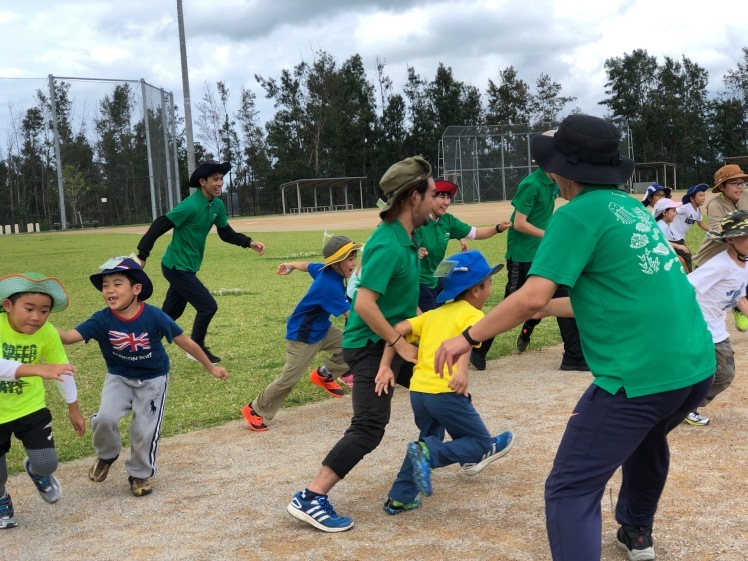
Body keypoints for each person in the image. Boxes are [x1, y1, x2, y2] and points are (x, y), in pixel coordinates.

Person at [434, 114, 715, 561]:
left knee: (570, 487)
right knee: (647, 441)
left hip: (639, 375)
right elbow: (610, 295)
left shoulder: (577, 215)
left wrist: (467, 336)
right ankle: (636, 532)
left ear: (562, 168)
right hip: (695, 366)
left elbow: (530, 297)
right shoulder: (629, 209)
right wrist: (544, 306)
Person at [286, 155, 435, 532]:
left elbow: (402, 302)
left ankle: (445, 458)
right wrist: (397, 345)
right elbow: (364, 304)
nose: (438, 201)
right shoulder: (388, 244)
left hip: (387, 340)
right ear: (413, 197)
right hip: (369, 345)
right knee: (369, 425)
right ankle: (311, 497)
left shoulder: (407, 239)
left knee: (439, 390)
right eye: (433, 193)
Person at [56, 258, 228, 497]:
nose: (110, 290)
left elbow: (185, 341)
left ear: (136, 289)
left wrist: (209, 366)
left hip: (153, 380)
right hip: (119, 377)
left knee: (143, 429)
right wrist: (39, 323)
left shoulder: (154, 316)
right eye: (105, 285)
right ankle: (106, 456)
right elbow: (67, 337)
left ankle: (139, 475)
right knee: (104, 418)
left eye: (117, 284)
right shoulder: (101, 319)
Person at [376, 250, 514, 515]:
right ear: (476, 290)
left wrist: (385, 365)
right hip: (445, 392)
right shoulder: (473, 316)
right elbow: (466, 341)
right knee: (480, 444)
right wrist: (461, 372)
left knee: (428, 438)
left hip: (419, 393)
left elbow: (396, 329)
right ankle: (430, 455)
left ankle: (400, 497)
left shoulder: (433, 314)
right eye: (489, 283)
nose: (490, 289)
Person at [136, 160, 266, 364]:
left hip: (188, 267)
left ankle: (144, 348)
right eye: (215, 179)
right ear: (202, 181)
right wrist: (143, 254)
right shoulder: (190, 205)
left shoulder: (217, 205)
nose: (220, 183)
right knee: (208, 306)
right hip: (176, 267)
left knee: (171, 312)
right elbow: (161, 224)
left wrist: (248, 242)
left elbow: (225, 233)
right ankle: (196, 348)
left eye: (221, 179)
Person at [471, 156, 588, 372]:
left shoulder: (553, 183)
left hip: (544, 253)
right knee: (512, 303)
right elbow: (519, 223)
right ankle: (478, 347)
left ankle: (574, 356)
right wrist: (549, 235)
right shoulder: (531, 184)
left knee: (562, 296)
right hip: (522, 255)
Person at [241, 236, 362, 431]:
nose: (354, 262)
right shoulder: (329, 287)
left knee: (354, 345)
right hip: (303, 336)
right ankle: (254, 409)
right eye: (349, 259)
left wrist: (290, 265)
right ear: (336, 262)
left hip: (323, 328)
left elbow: (306, 265)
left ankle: (325, 374)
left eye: (354, 257)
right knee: (288, 380)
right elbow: (354, 317)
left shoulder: (325, 270)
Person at [0, 273, 85, 529]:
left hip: (30, 407)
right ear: (7, 306)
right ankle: (2, 499)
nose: (37, 317)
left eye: (44, 311)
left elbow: (62, 369)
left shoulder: (47, 332)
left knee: (47, 463)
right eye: (29, 309)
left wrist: (74, 407)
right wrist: (37, 370)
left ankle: (37, 472)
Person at [683, 210, 748, 426]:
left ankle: (683, 406)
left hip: (717, 327)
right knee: (721, 373)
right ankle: (683, 407)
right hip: (700, 328)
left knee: (722, 375)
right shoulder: (719, 266)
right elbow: (686, 288)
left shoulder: (744, 264)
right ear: (730, 239)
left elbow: (738, 296)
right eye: (744, 236)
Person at [416, 178, 511, 313]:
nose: (447, 202)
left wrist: (498, 228)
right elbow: (398, 240)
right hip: (417, 281)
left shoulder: (448, 220)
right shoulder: (417, 219)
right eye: (442, 197)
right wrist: (413, 250)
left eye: (449, 197)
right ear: (429, 198)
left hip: (435, 277)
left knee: (458, 273)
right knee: (429, 319)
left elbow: (475, 233)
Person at [694, 164, 748, 331]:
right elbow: (717, 231)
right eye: (734, 183)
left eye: (742, 183)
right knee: (704, 303)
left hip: (737, 254)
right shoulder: (715, 204)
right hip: (711, 258)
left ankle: (738, 307)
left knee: (740, 283)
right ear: (722, 186)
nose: (740, 187)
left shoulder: (746, 196)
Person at [668, 183, 710, 272]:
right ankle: (690, 277)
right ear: (692, 198)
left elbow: (701, 224)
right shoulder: (686, 207)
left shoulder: (697, 210)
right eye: (700, 195)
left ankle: (679, 274)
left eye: (704, 195)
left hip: (679, 238)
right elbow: (674, 211)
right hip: (673, 236)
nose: (703, 198)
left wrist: (714, 230)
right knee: (686, 256)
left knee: (674, 257)